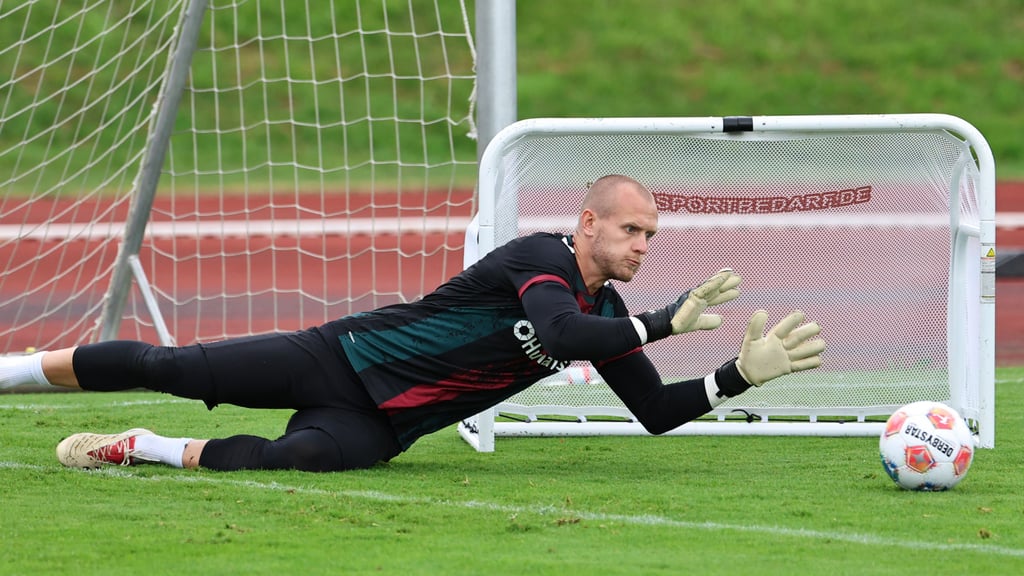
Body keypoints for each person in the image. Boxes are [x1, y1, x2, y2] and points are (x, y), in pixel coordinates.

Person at [0, 174, 825, 473]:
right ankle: (10, 371)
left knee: (300, 460)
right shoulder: (537, 257)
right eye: (630, 230)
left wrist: (736, 379)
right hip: (335, 359)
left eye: (651, 236)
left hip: (388, 425)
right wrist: (662, 323)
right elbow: (562, 334)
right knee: (170, 365)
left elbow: (653, 413)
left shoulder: (611, 315)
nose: (642, 245)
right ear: (586, 225)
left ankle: (141, 448)